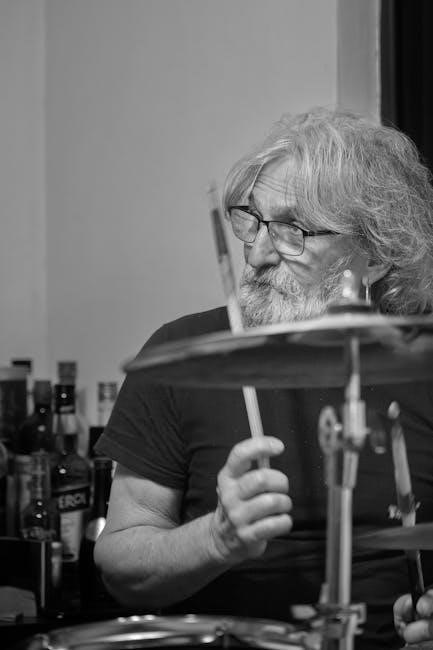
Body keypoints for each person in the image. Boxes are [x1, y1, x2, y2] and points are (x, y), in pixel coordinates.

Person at [94, 107, 433, 649]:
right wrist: (216, 538)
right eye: (252, 219)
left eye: (293, 230)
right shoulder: (181, 356)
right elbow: (119, 567)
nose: (256, 253)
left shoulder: (422, 364)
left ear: (374, 255)